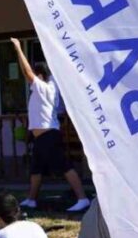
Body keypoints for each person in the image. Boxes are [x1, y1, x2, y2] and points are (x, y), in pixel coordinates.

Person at [9, 37, 90, 213]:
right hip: (43, 137)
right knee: (36, 169)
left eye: (35, 74)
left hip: (49, 136)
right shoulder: (52, 84)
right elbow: (54, 68)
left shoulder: (43, 88)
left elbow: (27, 72)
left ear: (39, 76)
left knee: (64, 166)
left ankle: (82, 198)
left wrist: (19, 49)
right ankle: (31, 200)